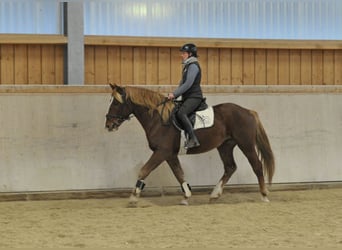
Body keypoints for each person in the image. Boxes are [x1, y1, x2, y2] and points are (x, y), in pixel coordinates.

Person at [167, 43, 203, 149]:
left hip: (194, 97)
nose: (181, 55)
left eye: (183, 53)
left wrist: (174, 94)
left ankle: (193, 139)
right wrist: (174, 96)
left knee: (182, 113)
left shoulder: (193, 66)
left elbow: (188, 84)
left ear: (190, 54)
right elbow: (182, 84)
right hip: (187, 97)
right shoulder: (187, 66)